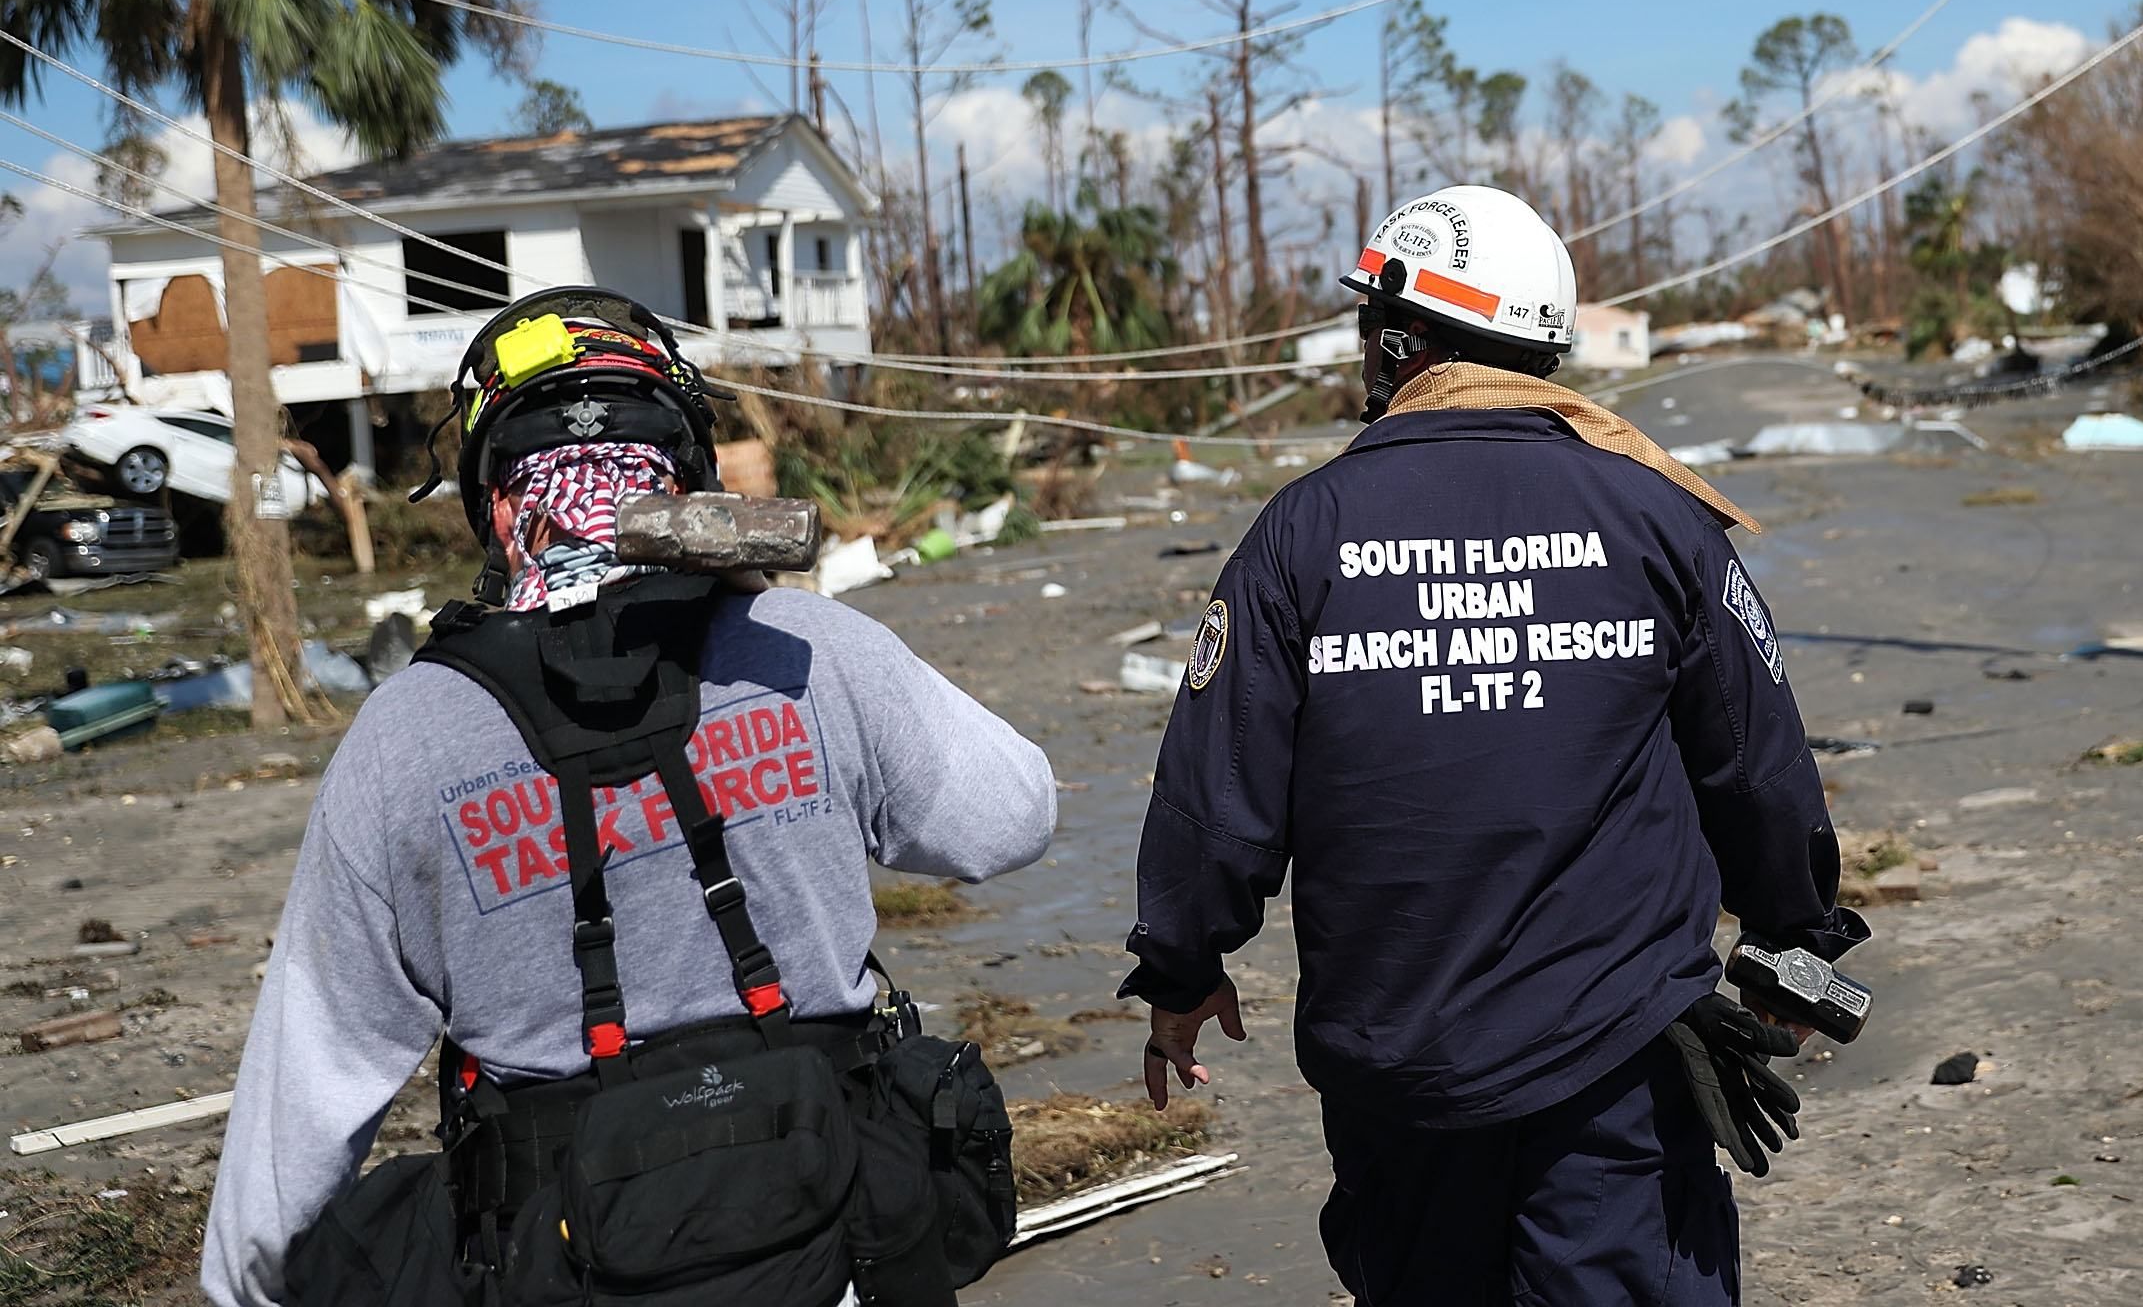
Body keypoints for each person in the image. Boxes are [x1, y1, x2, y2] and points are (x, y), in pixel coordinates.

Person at [200, 290, 1057, 1307]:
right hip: (841, 1246)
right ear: (688, 481)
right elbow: (1016, 814)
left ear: (497, 500)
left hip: (562, 1257)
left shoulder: (403, 735)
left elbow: (308, 1087)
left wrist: (249, 1282)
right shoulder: (807, 650)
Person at [1122, 185, 1867, 1307]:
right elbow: (1759, 765)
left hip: (1399, 1066)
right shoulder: (1655, 515)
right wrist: (1793, 940)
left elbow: (1214, 802)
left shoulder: (1301, 532)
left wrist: (1181, 967)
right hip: (1619, 1064)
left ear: (1402, 338)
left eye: (1370, 321)